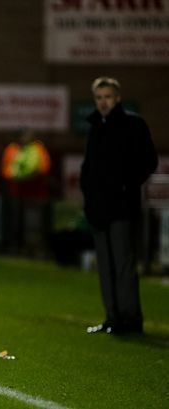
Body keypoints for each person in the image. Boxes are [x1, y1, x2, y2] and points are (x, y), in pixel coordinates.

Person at [80, 77, 157, 335]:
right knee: (105, 265)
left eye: (108, 97)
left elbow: (149, 162)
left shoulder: (133, 124)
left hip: (122, 207)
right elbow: (88, 169)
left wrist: (126, 186)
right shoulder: (95, 127)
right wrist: (88, 198)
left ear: (118, 97)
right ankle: (112, 318)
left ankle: (131, 320)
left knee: (123, 264)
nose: (103, 102)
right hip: (99, 208)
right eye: (99, 97)